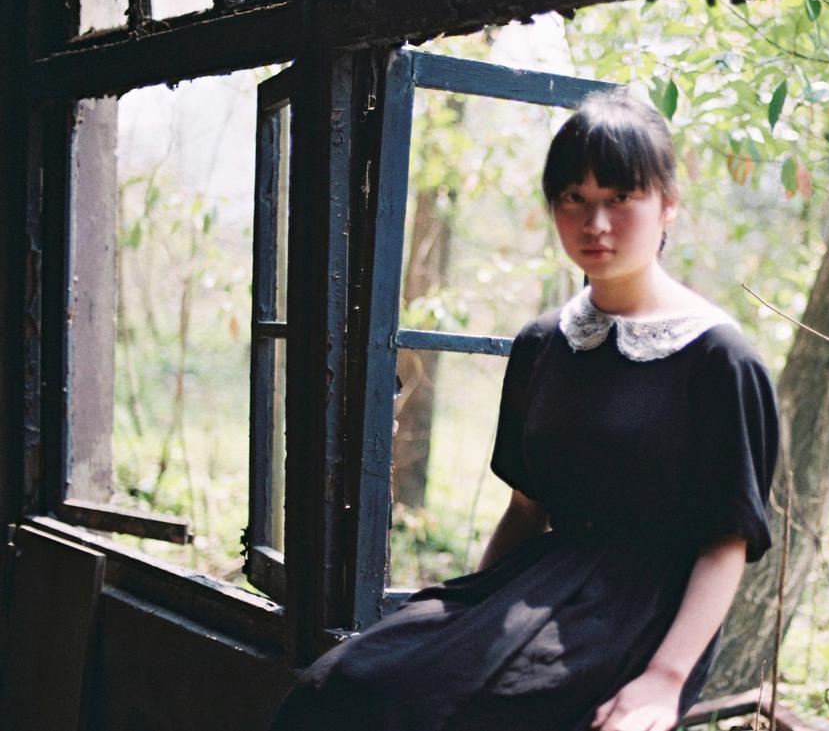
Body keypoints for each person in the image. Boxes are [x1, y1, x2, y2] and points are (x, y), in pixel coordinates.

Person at [268, 89, 779, 731]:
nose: (595, 223)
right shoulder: (544, 342)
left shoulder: (718, 358)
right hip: (539, 586)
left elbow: (727, 542)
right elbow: (525, 509)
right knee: (339, 685)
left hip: (643, 616)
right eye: (574, 198)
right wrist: (466, 630)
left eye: (621, 198)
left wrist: (665, 681)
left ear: (668, 204)